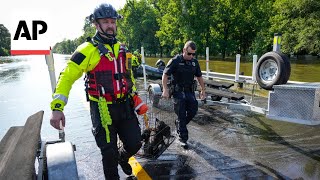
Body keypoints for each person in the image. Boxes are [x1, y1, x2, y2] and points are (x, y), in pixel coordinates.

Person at [49, 3, 147, 179]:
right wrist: (57, 107)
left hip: (124, 107)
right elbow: (66, 76)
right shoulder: (86, 50)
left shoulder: (122, 48)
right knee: (108, 154)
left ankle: (123, 157)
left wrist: (135, 97)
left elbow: (127, 77)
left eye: (113, 21)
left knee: (136, 143)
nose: (110, 25)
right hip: (102, 110)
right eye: (106, 21)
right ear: (95, 24)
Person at [161, 41, 206, 149]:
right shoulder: (175, 61)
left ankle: (179, 124)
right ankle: (183, 138)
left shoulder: (194, 62)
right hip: (178, 92)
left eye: (193, 54)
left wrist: (203, 90)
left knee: (193, 110)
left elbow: (199, 77)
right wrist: (165, 90)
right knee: (181, 114)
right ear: (184, 50)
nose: (191, 56)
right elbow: (165, 75)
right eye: (189, 53)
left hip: (189, 91)